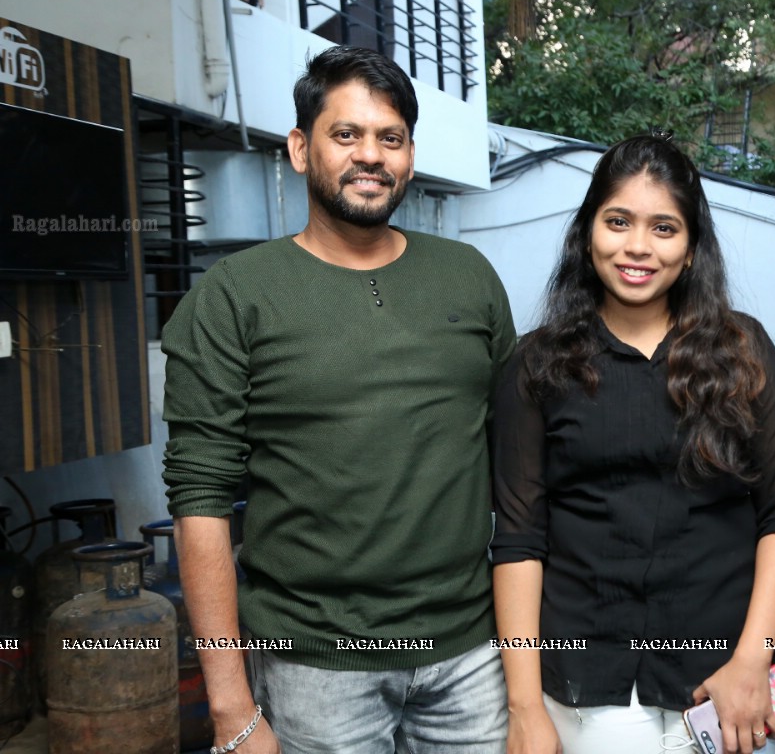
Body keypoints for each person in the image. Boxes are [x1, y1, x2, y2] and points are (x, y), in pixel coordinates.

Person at [161, 45, 516, 754]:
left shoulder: (469, 276)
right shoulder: (234, 296)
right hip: (314, 668)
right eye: (345, 134)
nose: (371, 156)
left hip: (470, 656)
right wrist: (231, 708)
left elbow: (520, 459)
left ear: (411, 155)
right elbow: (199, 502)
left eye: (390, 138)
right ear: (300, 148)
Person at [490, 133, 775, 754]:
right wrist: (525, 707)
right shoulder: (537, 365)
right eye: (618, 222)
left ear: (691, 250)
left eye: (664, 228)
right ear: (588, 234)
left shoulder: (745, 353)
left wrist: (752, 661)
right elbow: (519, 542)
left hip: (729, 690)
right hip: (588, 694)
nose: (638, 247)